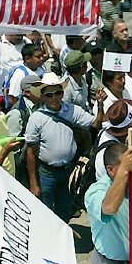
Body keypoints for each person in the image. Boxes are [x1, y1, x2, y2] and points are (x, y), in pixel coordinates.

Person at [25, 72, 99, 221]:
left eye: (58, 93)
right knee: (45, 212)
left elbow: (95, 124)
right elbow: (31, 152)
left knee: (65, 210)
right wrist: (34, 184)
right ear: (43, 97)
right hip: (47, 173)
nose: (54, 98)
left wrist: (101, 105)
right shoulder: (36, 119)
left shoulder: (72, 110)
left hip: (68, 171)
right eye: (49, 95)